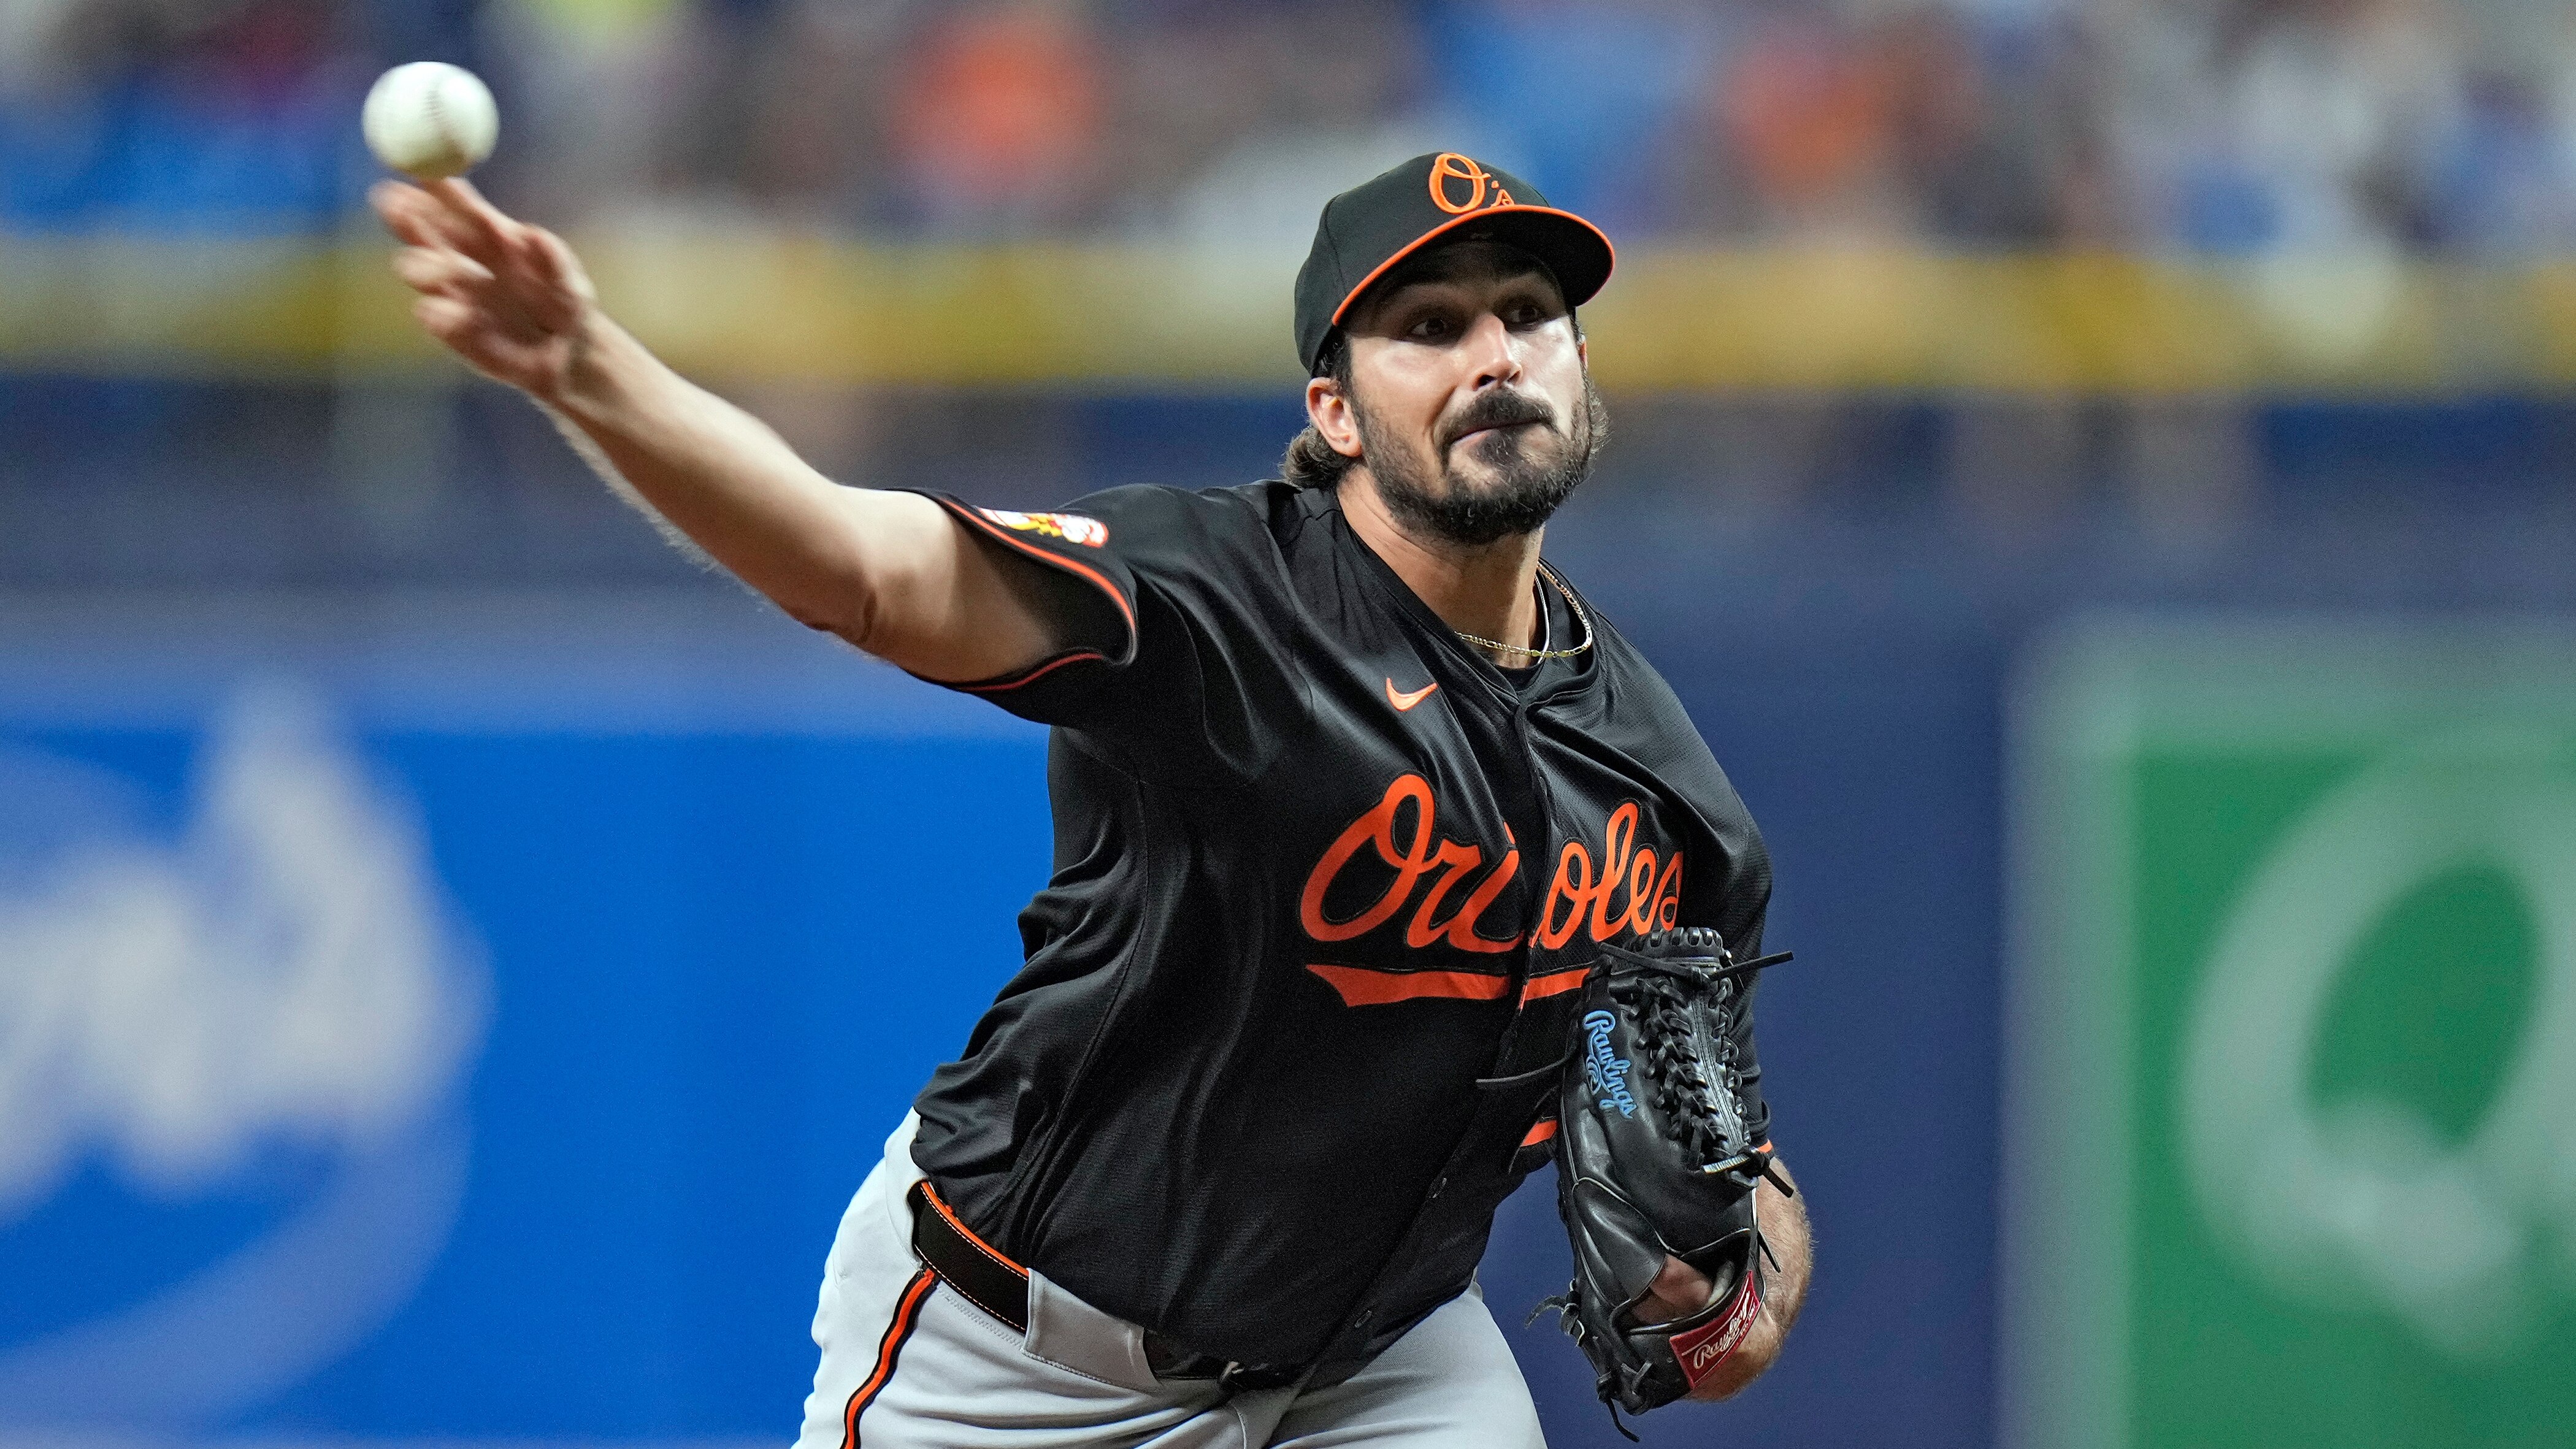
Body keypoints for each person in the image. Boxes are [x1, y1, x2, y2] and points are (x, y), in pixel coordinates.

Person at [373, 150, 1811, 1446]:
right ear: (1339, 412)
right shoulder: (1213, 596)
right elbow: (862, 568)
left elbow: (1739, 1175)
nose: (1493, 354)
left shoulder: (1658, 782)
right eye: (1428, 329)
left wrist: (1748, 1281)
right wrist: (584, 367)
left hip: (1375, 1373)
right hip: (1028, 1359)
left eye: (1527, 314)